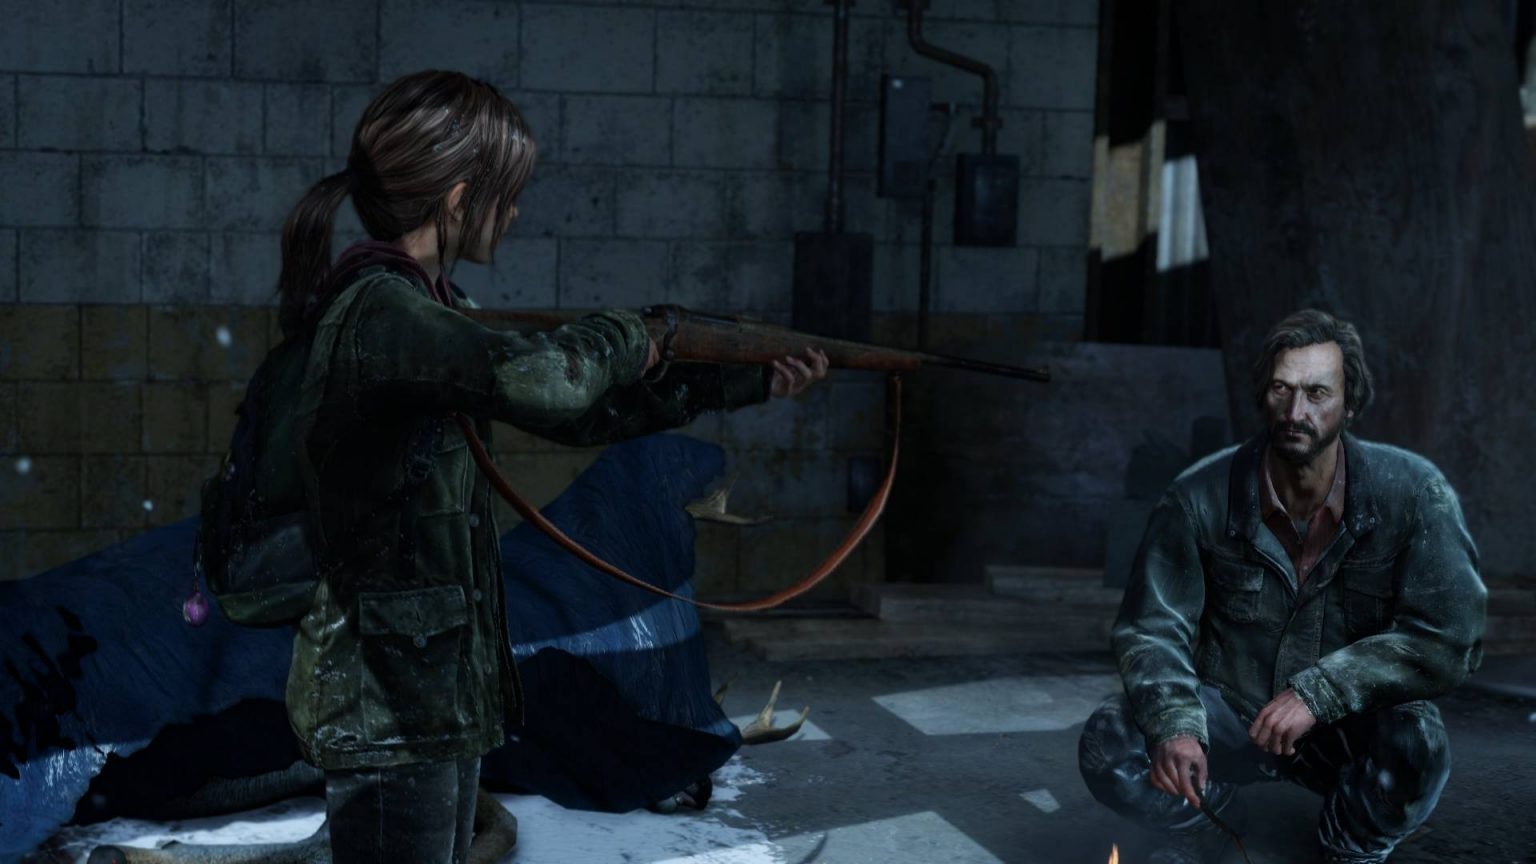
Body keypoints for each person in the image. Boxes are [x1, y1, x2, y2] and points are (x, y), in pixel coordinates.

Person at [274, 69, 828, 863]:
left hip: (431, 687)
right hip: (387, 695)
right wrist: (632, 335)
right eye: (507, 196)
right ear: (459, 199)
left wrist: (744, 381)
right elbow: (548, 383)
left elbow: (582, 413)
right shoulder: (386, 313)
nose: (515, 213)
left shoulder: (429, 309)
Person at [1077, 309, 1486, 864]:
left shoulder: (1415, 494)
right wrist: (1175, 724)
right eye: (1281, 389)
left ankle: (1350, 846)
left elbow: (1451, 637)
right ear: (1263, 396)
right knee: (1109, 743)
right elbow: (1151, 627)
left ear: (1349, 402)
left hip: (1345, 729)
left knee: (1419, 743)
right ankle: (1209, 823)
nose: (1296, 412)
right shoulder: (1195, 497)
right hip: (1229, 717)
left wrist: (1323, 691)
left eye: (1317, 393)